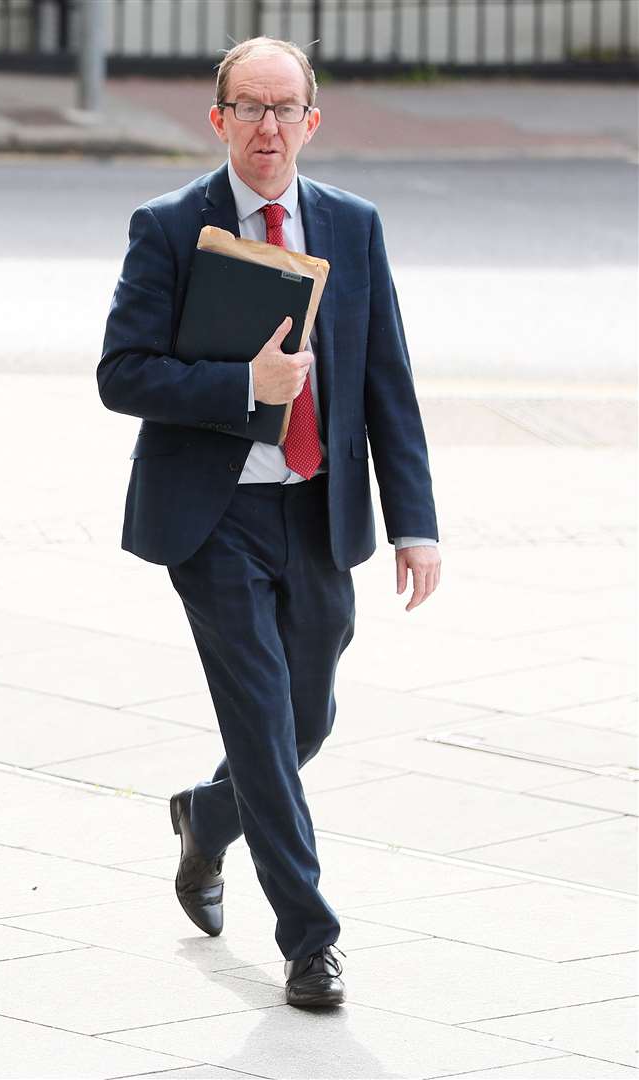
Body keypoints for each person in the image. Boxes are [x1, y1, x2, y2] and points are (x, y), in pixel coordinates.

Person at [97, 38, 440, 1008]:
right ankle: (310, 938)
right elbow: (122, 374)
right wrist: (243, 386)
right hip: (215, 518)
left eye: (285, 109)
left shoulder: (352, 226)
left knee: (306, 718)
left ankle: (207, 819)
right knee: (258, 719)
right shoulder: (169, 228)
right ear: (218, 120)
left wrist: (415, 523)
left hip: (319, 508)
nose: (267, 127)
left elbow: (387, 384)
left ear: (312, 121)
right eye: (248, 108)